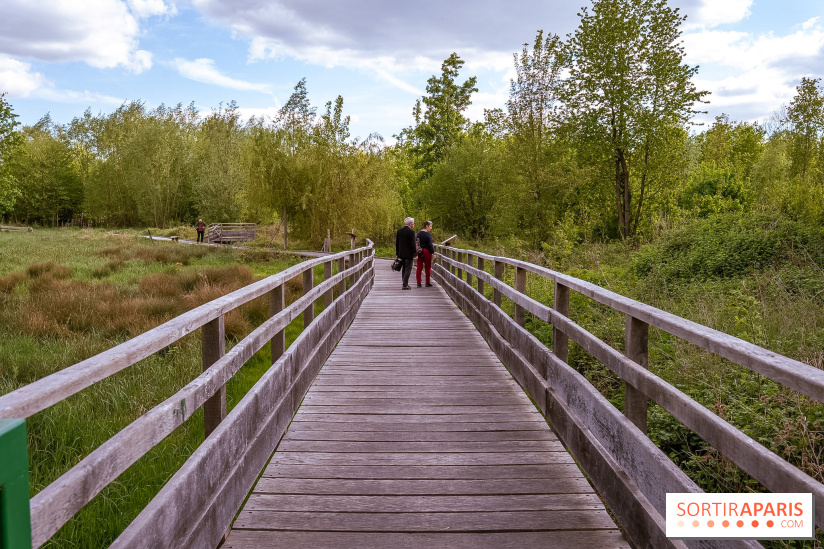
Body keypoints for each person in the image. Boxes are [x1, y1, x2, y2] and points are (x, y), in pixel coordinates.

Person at [395, 217, 416, 290]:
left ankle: (404, 283)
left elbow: (397, 243)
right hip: (409, 254)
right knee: (408, 268)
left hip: (401, 253)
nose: (414, 224)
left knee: (404, 268)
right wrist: (415, 254)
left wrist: (397, 253)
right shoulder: (411, 232)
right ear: (410, 224)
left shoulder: (399, 231)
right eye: (413, 223)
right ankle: (405, 284)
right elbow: (413, 244)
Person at [416, 220, 435, 288]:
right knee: (428, 267)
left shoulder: (419, 233)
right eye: (430, 226)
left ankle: (418, 283)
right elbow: (430, 244)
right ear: (426, 226)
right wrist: (432, 252)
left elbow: (416, 242)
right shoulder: (428, 234)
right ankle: (427, 282)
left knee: (419, 267)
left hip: (419, 251)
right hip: (427, 251)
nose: (431, 228)